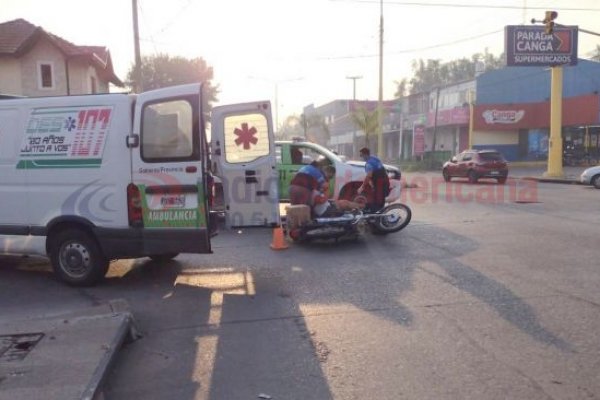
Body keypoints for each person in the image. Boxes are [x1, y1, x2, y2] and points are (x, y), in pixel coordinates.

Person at [357, 147, 390, 212]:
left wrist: (362, 187)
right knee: (379, 198)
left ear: (365, 154)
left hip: (379, 182)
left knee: (378, 200)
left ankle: (376, 215)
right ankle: (379, 212)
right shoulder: (375, 158)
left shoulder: (369, 164)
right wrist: (372, 184)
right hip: (385, 180)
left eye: (361, 155)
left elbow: (368, 176)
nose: (361, 157)